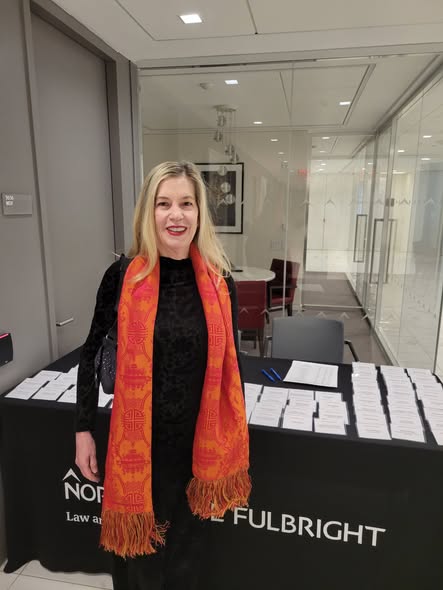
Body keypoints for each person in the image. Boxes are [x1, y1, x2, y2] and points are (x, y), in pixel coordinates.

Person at [75, 161, 251, 590]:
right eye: (164, 204)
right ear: (148, 212)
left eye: (186, 204)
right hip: (140, 448)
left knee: (187, 566)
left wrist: (235, 434)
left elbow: (232, 365)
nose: (176, 215)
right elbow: (92, 351)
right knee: (141, 567)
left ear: (199, 212)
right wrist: (83, 430)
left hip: (198, 449)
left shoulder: (220, 280)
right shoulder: (122, 277)